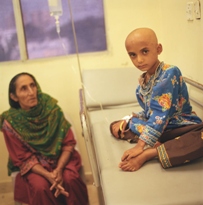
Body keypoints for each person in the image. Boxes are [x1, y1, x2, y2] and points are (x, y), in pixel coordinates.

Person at [118, 27, 203, 172]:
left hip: (179, 126)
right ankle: (156, 141)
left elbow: (160, 113)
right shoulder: (141, 86)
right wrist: (134, 118)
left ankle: (151, 153)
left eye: (145, 51)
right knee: (131, 120)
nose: (139, 60)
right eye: (133, 55)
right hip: (162, 130)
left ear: (158, 49)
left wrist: (140, 146)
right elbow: (149, 113)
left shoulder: (170, 73)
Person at [0, 72, 89, 205]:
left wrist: (58, 170)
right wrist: (49, 176)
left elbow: (68, 143)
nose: (31, 92)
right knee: (40, 187)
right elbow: (23, 157)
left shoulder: (51, 109)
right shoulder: (10, 121)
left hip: (61, 160)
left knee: (70, 179)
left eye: (32, 85)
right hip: (34, 166)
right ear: (13, 96)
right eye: (24, 88)